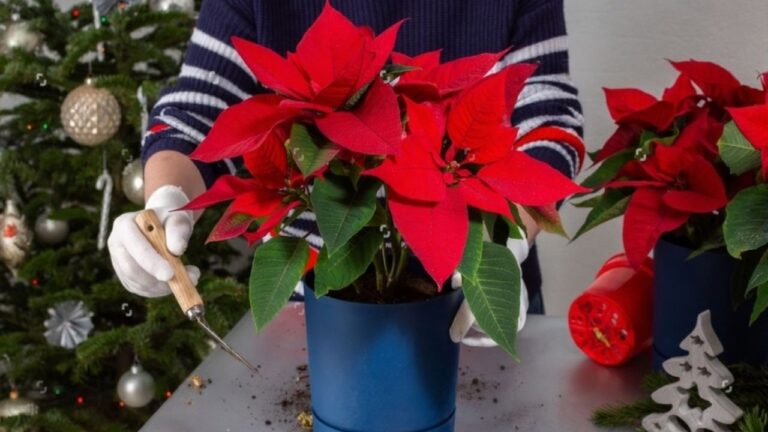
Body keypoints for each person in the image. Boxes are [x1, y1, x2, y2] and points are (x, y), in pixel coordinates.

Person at [108, 0, 583, 338]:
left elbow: (549, 117)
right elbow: (201, 107)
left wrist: (507, 242)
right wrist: (167, 200)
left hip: (477, 292)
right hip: (318, 306)